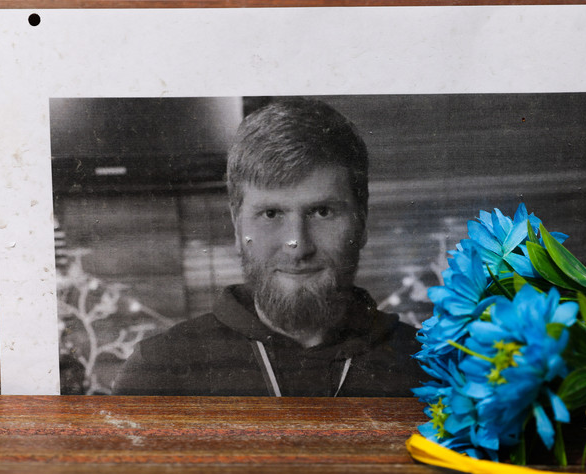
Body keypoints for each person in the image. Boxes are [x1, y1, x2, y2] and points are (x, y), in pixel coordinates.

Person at [114, 98, 424, 396]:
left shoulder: (429, 368)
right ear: (238, 227)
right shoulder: (158, 372)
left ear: (362, 222)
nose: (297, 247)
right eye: (271, 214)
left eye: (322, 212)